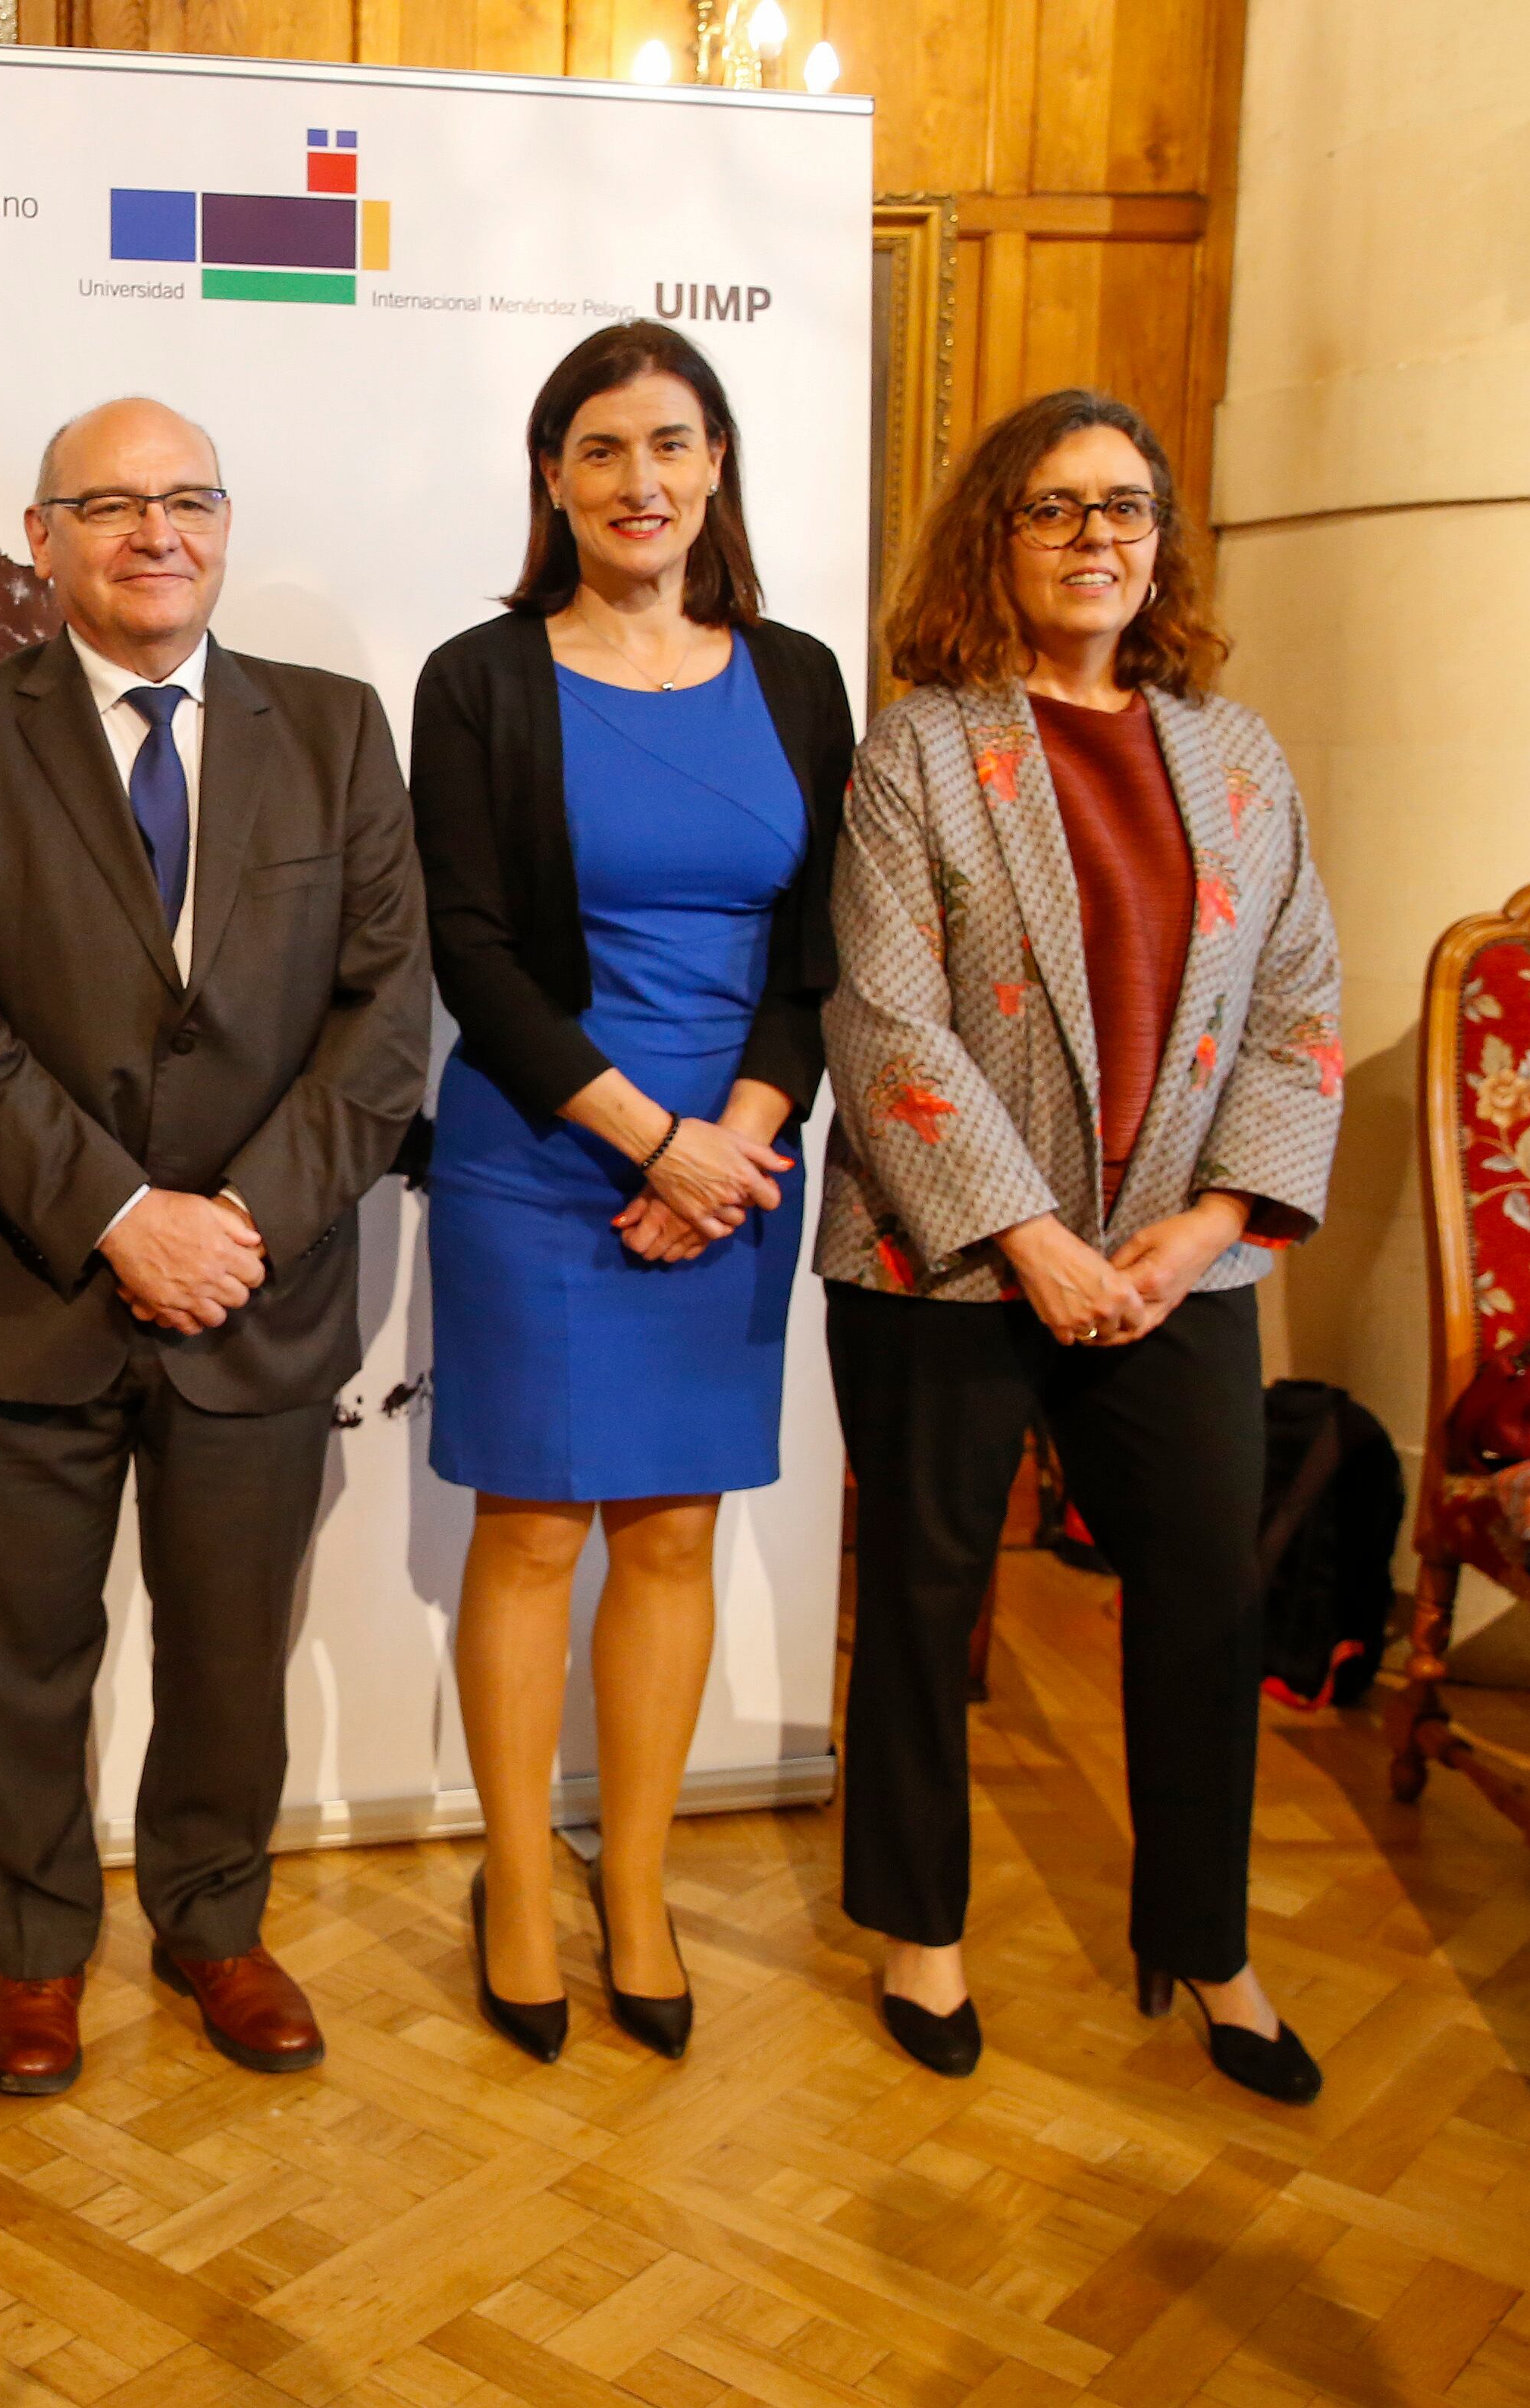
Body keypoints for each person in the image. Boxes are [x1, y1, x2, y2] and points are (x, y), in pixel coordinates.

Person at [0, 399, 428, 2095]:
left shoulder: (333, 731)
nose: (153, 532)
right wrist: (121, 1215)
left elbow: (385, 1012)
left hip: (255, 1295)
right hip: (19, 1285)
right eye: (108, 504)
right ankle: (35, 1953)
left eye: (185, 497)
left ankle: (213, 1919)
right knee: (17, 1653)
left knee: (228, 1646)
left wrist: (237, 1221)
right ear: (41, 539)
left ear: (225, 521)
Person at [820, 388, 1341, 2102]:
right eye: (1054, 507)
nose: (1096, 536)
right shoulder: (919, 746)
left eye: (1124, 506)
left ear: (1161, 539)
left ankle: (1207, 1939)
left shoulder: (1239, 755)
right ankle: (919, 1924)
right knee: (922, 1591)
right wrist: (1031, 1236)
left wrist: (1200, 1230)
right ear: (995, 531)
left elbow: (1296, 1007)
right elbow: (885, 1016)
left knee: (1204, 1591)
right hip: (949, 1260)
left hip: (1181, 1262)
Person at [411, 321, 854, 2065]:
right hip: (539, 1151)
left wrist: (728, 1140)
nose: (639, 479)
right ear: (553, 478)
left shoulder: (803, 676)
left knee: (676, 1526)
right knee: (531, 1530)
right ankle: (521, 1879)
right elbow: (471, 945)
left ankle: (640, 1881)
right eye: (600, 448)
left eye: (670, 442)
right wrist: (641, 1140)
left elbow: (824, 946)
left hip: (741, 1156)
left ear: (718, 464)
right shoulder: (481, 676)